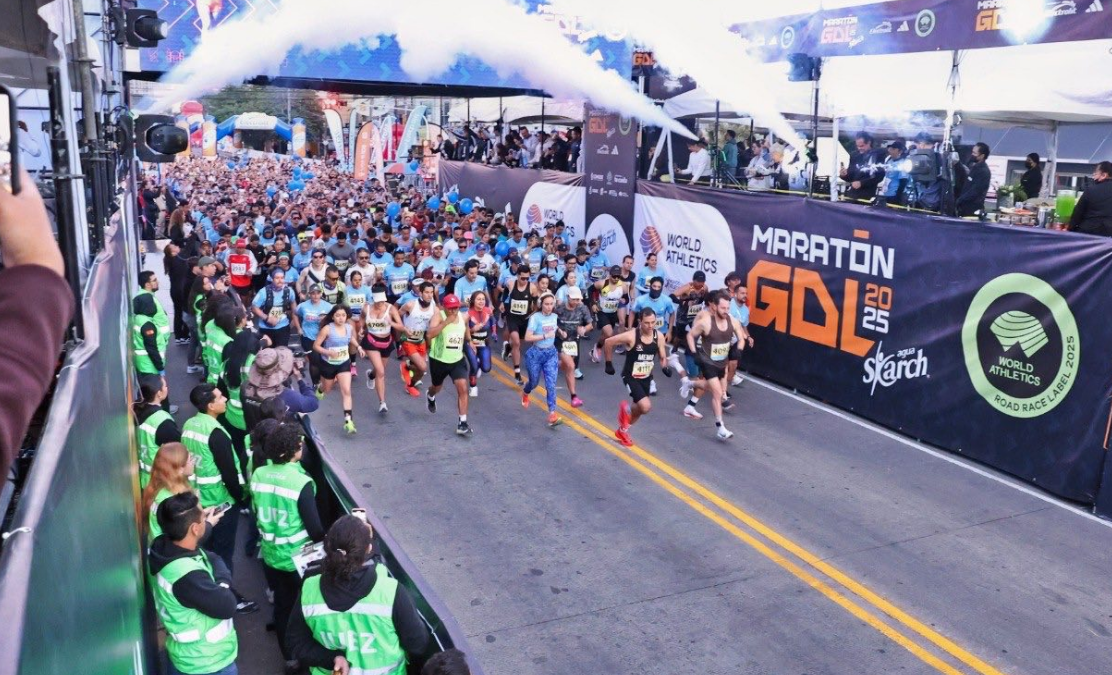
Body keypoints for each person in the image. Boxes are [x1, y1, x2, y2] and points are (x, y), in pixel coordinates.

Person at [286, 515, 431, 675]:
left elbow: (295, 643)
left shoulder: (309, 589)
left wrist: (332, 659)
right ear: (368, 549)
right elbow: (418, 644)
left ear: (328, 547)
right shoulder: (392, 592)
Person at [249, 422, 325, 669]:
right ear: (294, 450)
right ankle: (306, 658)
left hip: (271, 556)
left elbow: (256, 510)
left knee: (282, 608)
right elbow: (315, 529)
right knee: (304, 610)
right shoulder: (300, 482)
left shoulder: (259, 473)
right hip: (298, 560)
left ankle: (289, 659)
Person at [148, 492, 239, 675]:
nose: (206, 518)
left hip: (185, 657)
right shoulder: (188, 576)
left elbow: (209, 555)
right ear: (195, 529)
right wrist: (223, 582)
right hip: (207, 662)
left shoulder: (164, 548)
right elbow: (228, 605)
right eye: (202, 517)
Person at [183, 384, 248, 579]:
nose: (225, 399)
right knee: (223, 553)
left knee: (206, 550)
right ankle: (226, 592)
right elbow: (229, 473)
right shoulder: (217, 434)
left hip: (198, 500)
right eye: (220, 398)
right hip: (221, 502)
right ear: (211, 406)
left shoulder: (189, 424)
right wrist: (240, 497)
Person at [684, 292, 748, 440]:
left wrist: (739, 348)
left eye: (727, 308)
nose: (725, 311)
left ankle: (690, 383)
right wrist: (694, 353)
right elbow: (690, 335)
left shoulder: (733, 321)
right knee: (717, 393)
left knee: (711, 387)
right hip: (708, 361)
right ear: (715, 306)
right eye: (722, 308)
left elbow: (741, 337)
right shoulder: (706, 321)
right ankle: (721, 427)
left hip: (721, 362)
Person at [604, 307, 672, 447]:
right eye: (647, 323)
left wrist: (665, 367)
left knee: (640, 409)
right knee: (646, 406)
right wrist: (609, 363)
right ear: (640, 321)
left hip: (646, 377)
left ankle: (622, 430)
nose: (650, 326)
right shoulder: (631, 336)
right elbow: (608, 342)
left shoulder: (658, 336)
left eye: (653, 322)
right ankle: (625, 411)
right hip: (631, 376)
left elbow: (662, 356)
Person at [425, 294, 473, 435]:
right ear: (444, 307)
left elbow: (465, 328)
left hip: (457, 359)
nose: (453, 311)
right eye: (450, 308)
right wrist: (446, 322)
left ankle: (462, 423)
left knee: (463, 388)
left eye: (456, 308)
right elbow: (429, 334)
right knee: (436, 387)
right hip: (439, 360)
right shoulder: (438, 316)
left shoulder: (463, 317)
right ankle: (430, 395)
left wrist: (470, 341)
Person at [313, 306, 364, 434]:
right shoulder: (327, 329)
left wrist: (358, 347)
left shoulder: (349, 327)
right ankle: (320, 388)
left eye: (343, 315)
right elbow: (316, 346)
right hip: (328, 364)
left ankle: (348, 421)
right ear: (333, 316)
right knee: (327, 389)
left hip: (344, 363)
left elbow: (350, 339)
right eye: (338, 315)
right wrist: (327, 352)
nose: (341, 318)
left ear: (347, 316)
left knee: (346, 391)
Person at [243, 347, 320, 426]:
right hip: (278, 433)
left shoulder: (245, 387)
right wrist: (300, 379)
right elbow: (313, 403)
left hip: (255, 429)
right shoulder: (287, 396)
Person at [360, 284, 405, 412]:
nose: (380, 303)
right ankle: (382, 403)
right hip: (371, 341)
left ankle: (370, 375)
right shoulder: (366, 307)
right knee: (381, 372)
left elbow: (401, 327)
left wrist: (391, 323)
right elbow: (362, 319)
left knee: (379, 371)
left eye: (382, 300)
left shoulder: (391, 309)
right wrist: (361, 329)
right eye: (377, 300)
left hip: (386, 342)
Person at [520, 293, 563, 427]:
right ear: (541, 304)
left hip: (551, 353)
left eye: (551, 304)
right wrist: (545, 336)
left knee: (551, 385)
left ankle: (552, 413)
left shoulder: (556, 316)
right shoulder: (535, 318)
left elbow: (557, 326)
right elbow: (527, 337)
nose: (549, 307)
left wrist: (562, 332)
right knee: (534, 383)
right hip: (535, 354)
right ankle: (526, 392)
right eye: (546, 304)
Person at [135, 374, 182, 488]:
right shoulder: (163, 422)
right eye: (165, 386)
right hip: (162, 482)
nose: (167, 388)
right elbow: (177, 451)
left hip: (145, 479)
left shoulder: (136, 410)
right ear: (159, 393)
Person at [141, 442, 195, 541]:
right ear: (179, 469)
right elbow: (184, 537)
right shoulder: (174, 500)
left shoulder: (159, 489)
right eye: (190, 459)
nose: (193, 462)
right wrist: (208, 523)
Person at [555, 286, 593, 405]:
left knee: (566, 366)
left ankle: (551, 365)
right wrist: (559, 331)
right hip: (561, 339)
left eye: (578, 299)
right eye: (574, 299)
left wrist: (584, 329)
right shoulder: (560, 309)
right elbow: (551, 322)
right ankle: (574, 396)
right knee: (571, 366)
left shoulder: (582, 308)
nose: (576, 302)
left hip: (574, 341)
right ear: (568, 298)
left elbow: (590, 324)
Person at [399, 282, 438, 397]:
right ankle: (409, 386)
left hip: (421, 340)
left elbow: (433, 326)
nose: (429, 295)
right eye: (426, 292)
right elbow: (397, 315)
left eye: (431, 292)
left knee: (420, 370)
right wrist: (403, 328)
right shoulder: (410, 305)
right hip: (407, 339)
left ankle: (406, 366)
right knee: (423, 367)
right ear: (420, 293)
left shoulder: (434, 308)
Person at [502, 265, 537, 384]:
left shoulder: (532, 287)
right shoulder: (511, 283)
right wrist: (503, 302)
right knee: (516, 342)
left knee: (519, 344)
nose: (525, 281)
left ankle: (508, 348)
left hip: (525, 318)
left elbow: (536, 304)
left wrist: (533, 314)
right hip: (512, 318)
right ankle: (517, 373)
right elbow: (505, 291)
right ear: (518, 276)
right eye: (523, 278)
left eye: (527, 278)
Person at [133, 270, 172, 377]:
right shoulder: (147, 299)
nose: (158, 282)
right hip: (150, 363)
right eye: (154, 280)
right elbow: (150, 346)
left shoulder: (146, 297)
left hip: (151, 359)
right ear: (147, 284)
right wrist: (160, 367)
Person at [251, 268, 300, 349]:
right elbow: (254, 307)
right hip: (265, 327)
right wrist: (267, 318)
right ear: (272, 279)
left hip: (283, 326)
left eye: (282, 278)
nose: (280, 280)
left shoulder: (289, 291)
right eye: (277, 278)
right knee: (268, 354)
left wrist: (294, 319)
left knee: (282, 351)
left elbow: (293, 303)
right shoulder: (263, 292)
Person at [296, 284, 333, 386]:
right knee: (314, 360)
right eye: (313, 293)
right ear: (309, 294)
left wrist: (326, 321)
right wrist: (299, 328)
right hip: (308, 337)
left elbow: (335, 319)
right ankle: (315, 384)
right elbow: (295, 314)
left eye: (318, 293)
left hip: (323, 338)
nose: (315, 296)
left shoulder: (328, 307)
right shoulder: (303, 306)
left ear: (321, 294)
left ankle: (323, 378)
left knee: (322, 360)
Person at [591, 266, 628, 363]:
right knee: (609, 333)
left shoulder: (623, 286)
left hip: (613, 313)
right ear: (609, 275)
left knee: (605, 336)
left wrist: (624, 300)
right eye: (614, 276)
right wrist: (593, 304)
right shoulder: (602, 283)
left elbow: (626, 298)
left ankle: (597, 347)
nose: (616, 279)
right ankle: (598, 348)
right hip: (602, 312)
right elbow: (589, 291)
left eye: (618, 277)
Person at [1068, 161, 1112, 237]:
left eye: (1096, 172)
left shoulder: (1090, 190)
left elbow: (1078, 213)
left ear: (1104, 175)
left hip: (1088, 234)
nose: (1093, 175)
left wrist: (1070, 229)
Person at [465, 291, 494, 398]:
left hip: (484, 343)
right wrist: (472, 330)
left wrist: (494, 333)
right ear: (473, 301)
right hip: (470, 343)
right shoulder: (467, 315)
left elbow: (493, 323)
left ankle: (480, 363)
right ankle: (473, 386)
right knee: (474, 365)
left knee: (486, 368)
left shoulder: (488, 312)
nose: (481, 301)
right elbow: (464, 331)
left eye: (483, 299)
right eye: (478, 299)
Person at [956, 142, 991, 217]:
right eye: (972, 152)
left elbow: (975, 191)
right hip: (964, 208)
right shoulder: (974, 167)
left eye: (974, 153)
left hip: (973, 211)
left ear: (982, 156)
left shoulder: (983, 171)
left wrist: (960, 200)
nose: (972, 154)